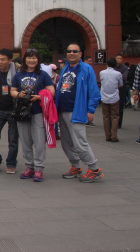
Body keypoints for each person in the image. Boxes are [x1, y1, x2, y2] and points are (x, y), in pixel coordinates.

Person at [56, 42, 104, 183]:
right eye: (69, 51)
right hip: (62, 110)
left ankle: (94, 169)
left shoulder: (86, 68)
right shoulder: (65, 68)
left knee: (80, 142)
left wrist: (90, 110)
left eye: (75, 51)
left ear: (80, 54)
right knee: (66, 142)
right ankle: (76, 166)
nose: (72, 53)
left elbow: (94, 92)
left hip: (77, 110)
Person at [11, 49, 55, 182]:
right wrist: (19, 95)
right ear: (25, 59)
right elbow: (13, 90)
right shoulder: (19, 74)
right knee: (25, 141)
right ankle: (29, 167)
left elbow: (51, 91)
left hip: (38, 111)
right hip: (22, 112)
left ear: (38, 60)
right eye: (29, 57)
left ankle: (39, 168)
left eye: (34, 58)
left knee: (39, 141)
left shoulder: (43, 75)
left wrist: (40, 97)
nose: (31, 60)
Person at [100, 58, 123, 142]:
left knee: (106, 117)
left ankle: (107, 136)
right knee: (115, 117)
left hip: (104, 97)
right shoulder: (118, 74)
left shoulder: (102, 72)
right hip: (114, 97)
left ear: (107, 64)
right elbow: (121, 84)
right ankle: (114, 136)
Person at [114, 54, 129, 129]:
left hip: (121, 87)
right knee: (113, 105)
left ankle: (119, 123)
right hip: (113, 87)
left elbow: (125, 77)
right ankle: (113, 122)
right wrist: (120, 75)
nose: (119, 59)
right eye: (118, 58)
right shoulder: (113, 67)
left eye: (120, 58)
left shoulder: (125, 67)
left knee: (120, 105)